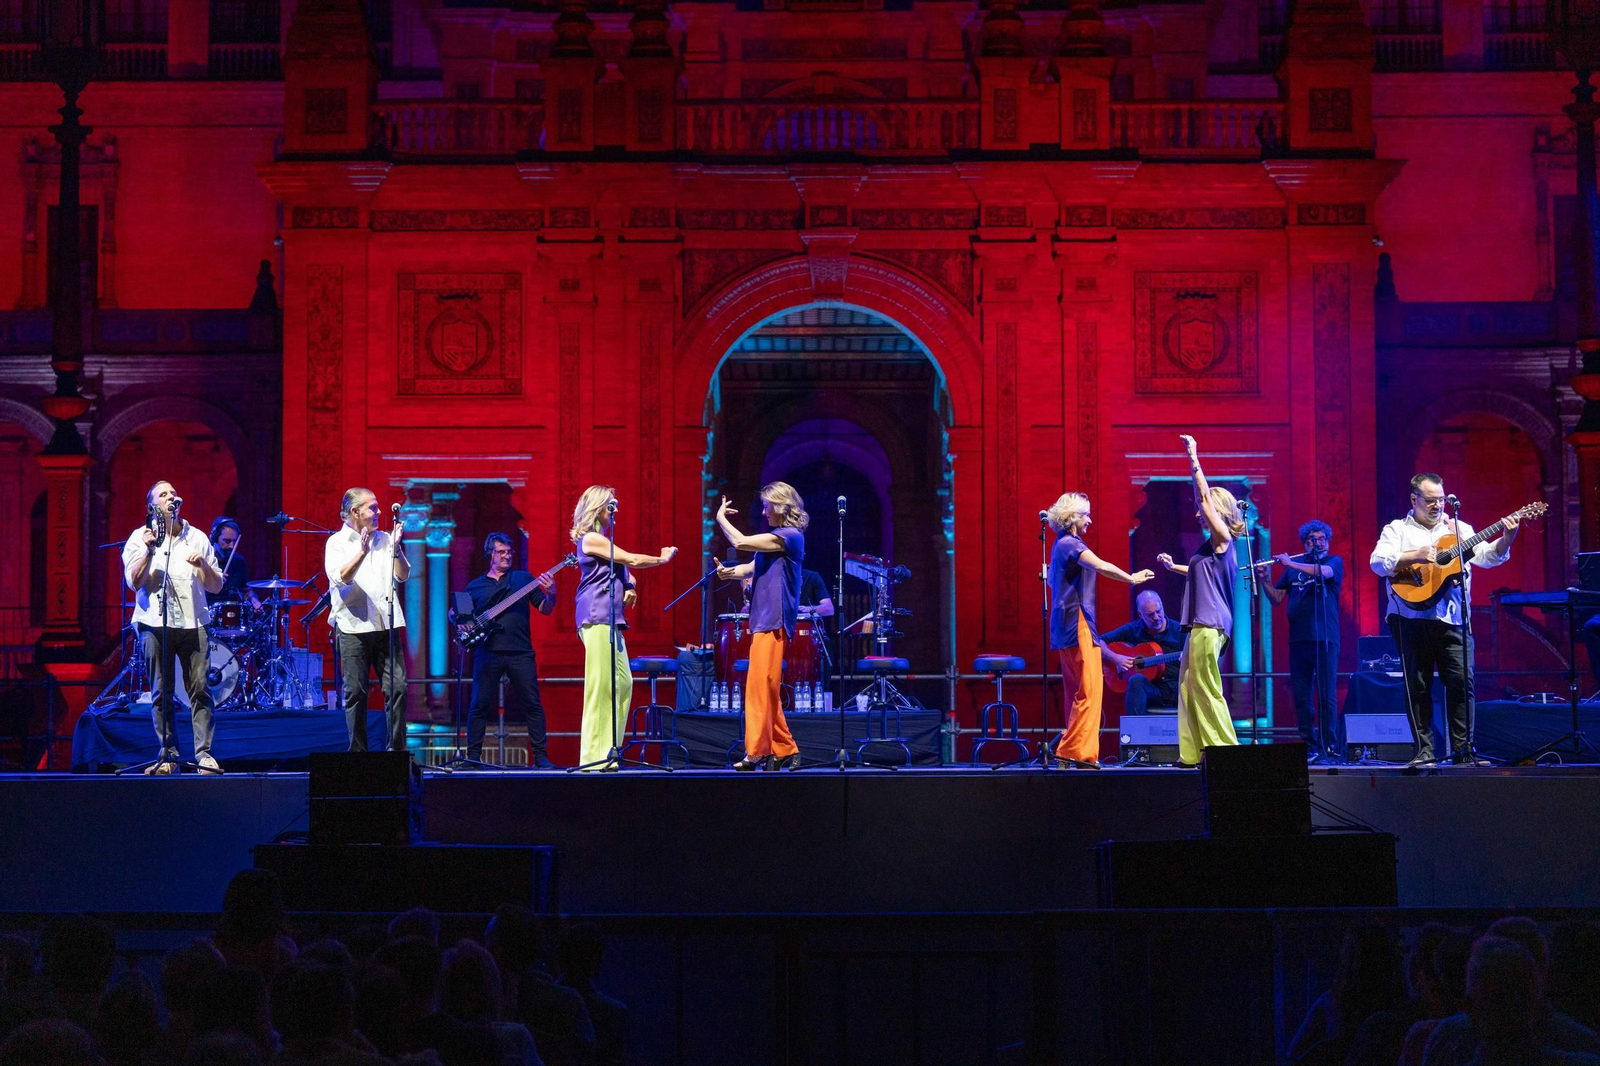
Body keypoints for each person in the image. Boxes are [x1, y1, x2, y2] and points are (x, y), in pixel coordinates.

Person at [1370, 473, 1518, 766]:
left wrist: (1507, 537)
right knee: (1419, 685)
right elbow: (1377, 562)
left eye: (1442, 499)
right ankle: (1424, 752)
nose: (1438, 505)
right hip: (1410, 617)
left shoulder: (1460, 529)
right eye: (1431, 500)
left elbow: (1488, 557)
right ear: (1415, 499)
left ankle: (1463, 752)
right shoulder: (1397, 529)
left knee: (1462, 683)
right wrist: (1416, 555)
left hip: (1454, 619)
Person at [1044, 492, 1155, 768]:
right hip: (1076, 625)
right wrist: (1131, 578)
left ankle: (1073, 752)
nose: (1090, 520)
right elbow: (1101, 565)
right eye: (1086, 515)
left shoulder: (1060, 545)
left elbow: (1054, 585)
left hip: (1064, 626)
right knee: (1090, 691)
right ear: (1072, 518)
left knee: (1077, 693)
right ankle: (1073, 752)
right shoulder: (1071, 544)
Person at [122, 480, 226, 775]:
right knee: (161, 692)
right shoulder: (139, 538)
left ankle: (204, 755)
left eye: (173, 493)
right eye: (163, 494)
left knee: (201, 690)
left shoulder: (198, 537)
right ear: (152, 506)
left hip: (194, 623)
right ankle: (167, 755)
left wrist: (205, 565)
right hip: (154, 622)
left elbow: (217, 585)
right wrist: (149, 550)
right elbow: (135, 581)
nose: (171, 497)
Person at [570, 486, 677, 770]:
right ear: (597, 508)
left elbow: (622, 567)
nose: (613, 512)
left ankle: (610, 751)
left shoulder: (603, 540)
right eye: (609, 506)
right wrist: (661, 559)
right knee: (600, 686)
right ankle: (593, 757)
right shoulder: (591, 538)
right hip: (596, 614)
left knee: (623, 683)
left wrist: (629, 584)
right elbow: (629, 559)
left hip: (612, 618)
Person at [1156, 435, 1244, 767]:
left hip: (1210, 625)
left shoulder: (1223, 541)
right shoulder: (1210, 551)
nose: (1198, 513)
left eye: (1203, 509)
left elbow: (1204, 497)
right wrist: (1172, 567)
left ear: (1218, 512)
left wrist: (1193, 457)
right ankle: (1192, 754)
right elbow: (1199, 572)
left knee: (1205, 687)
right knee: (1188, 688)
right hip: (1199, 626)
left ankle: (1225, 751)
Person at [716, 483, 809, 771]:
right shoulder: (774, 540)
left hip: (774, 619)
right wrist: (728, 573)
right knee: (766, 688)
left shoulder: (789, 537)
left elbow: (741, 543)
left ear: (783, 507)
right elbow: (751, 567)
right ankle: (785, 748)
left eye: (769, 505)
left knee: (759, 687)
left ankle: (756, 752)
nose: (765, 510)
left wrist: (720, 518)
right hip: (762, 619)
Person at [325, 487, 411, 754]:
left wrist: (396, 548)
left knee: (397, 689)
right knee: (356, 694)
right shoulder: (336, 543)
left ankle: (396, 753)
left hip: (386, 625)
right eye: (372, 507)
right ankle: (358, 755)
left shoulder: (385, 539)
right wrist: (361, 552)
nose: (379, 512)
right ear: (355, 512)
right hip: (352, 628)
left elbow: (403, 575)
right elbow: (342, 578)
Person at [463, 533, 558, 768]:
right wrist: (458, 620)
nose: (507, 556)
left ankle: (540, 758)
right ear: (490, 554)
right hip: (488, 652)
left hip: (520, 652)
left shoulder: (524, 579)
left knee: (532, 704)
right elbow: (458, 614)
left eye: (509, 552)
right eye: (501, 552)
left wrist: (552, 593)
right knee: (478, 706)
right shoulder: (475, 586)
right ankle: (473, 758)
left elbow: (544, 609)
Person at [1259, 519, 1344, 762]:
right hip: (1298, 640)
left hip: (1326, 639)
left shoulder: (1333, 561)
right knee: (1301, 696)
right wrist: (1265, 579)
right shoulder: (1292, 569)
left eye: (1321, 539)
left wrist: (1288, 561)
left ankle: (1330, 748)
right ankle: (1311, 746)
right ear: (1304, 543)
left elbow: (1325, 573)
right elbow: (1276, 598)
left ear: (1327, 541)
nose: (1317, 543)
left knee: (1326, 695)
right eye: (1311, 540)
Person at [1097, 590, 1183, 715]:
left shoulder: (1180, 630)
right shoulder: (1133, 629)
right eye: (1150, 614)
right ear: (1140, 614)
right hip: (1150, 692)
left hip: (1176, 690)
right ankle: (1136, 731)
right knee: (1136, 680)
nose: (1156, 617)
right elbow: (1099, 641)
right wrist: (1116, 658)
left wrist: (1187, 658)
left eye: (1158, 612)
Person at [208, 517, 260, 608]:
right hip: (204, 613)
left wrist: (253, 599)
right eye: (227, 541)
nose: (231, 546)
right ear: (215, 538)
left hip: (230, 613)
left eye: (234, 541)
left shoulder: (238, 561)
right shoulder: (203, 560)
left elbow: (245, 590)